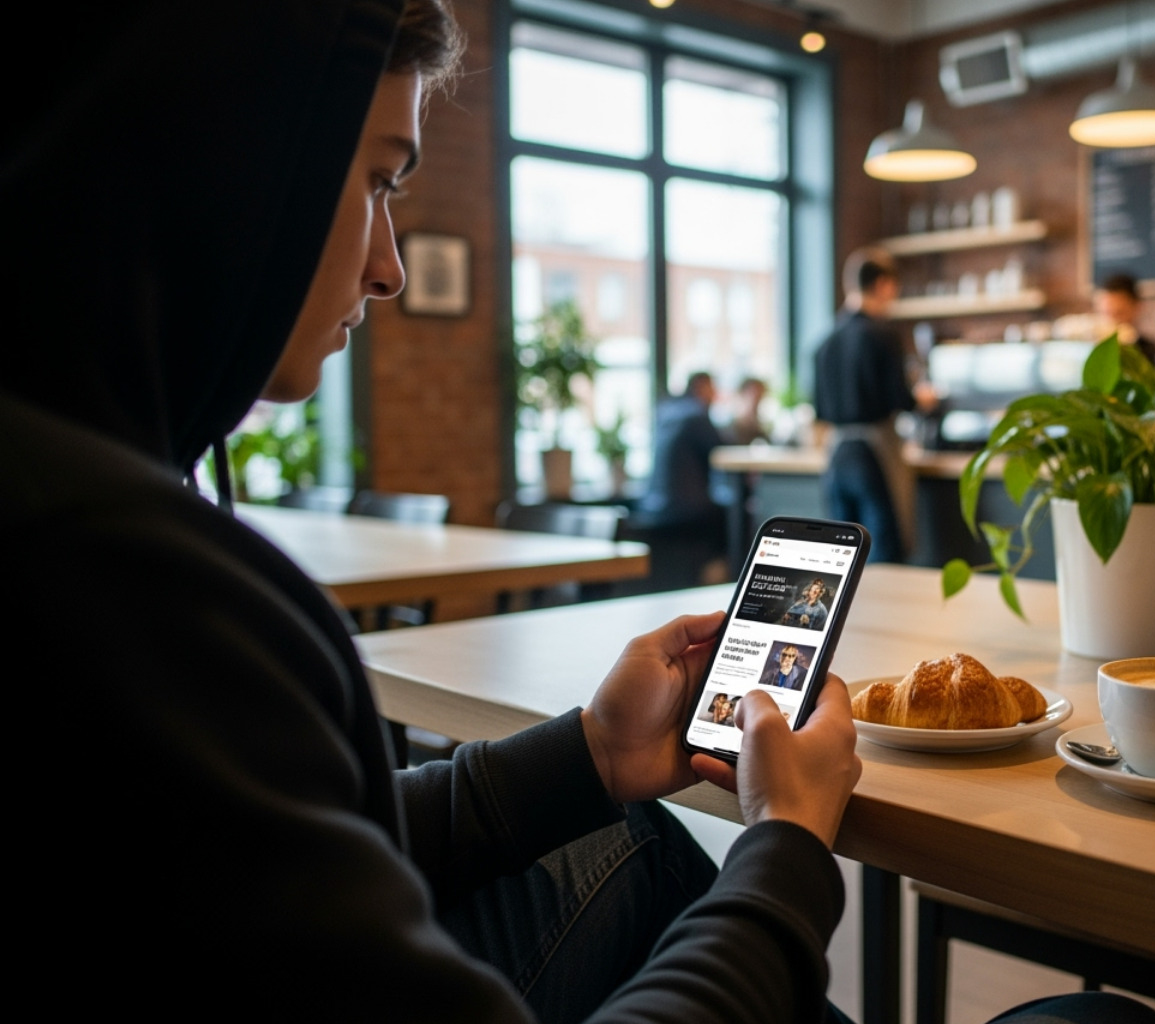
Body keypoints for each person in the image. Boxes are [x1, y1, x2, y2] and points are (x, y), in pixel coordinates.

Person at [4, 3, 865, 1020]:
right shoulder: (125, 592)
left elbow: (291, 846)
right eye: (372, 180)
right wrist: (787, 855)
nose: (391, 268)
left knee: (626, 835)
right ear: (220, 166)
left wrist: (587, 749)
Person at [814, 248, 936, 563]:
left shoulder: (826, 341)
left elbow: (819, 408)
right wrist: (922, 399)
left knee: (843, 556)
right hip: (874, 452)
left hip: (836, 454)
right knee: (886, 550)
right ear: (883, 284)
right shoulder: (883, 335)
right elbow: (900, 399)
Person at [636, 371, 726, 537]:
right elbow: (722, 451)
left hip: (652, 506)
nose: (715, 394)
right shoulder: (696, 415)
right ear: (700, 387)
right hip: (685, 509)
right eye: (712, 388)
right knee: (736, 516)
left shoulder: (667, 411)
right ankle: (724, 563)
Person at [1093, 272, 1155, 365]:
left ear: (1137, 307)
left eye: (1119, 313)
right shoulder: (1086, 348)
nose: (1113, 320)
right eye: (1107, 313)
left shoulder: (1147, 350)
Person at [724, 376, 770, 445]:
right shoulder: (728, 430)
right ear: (741, 395)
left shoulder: (761, 430)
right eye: (753, 395)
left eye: (760, 396)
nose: (757, 401)